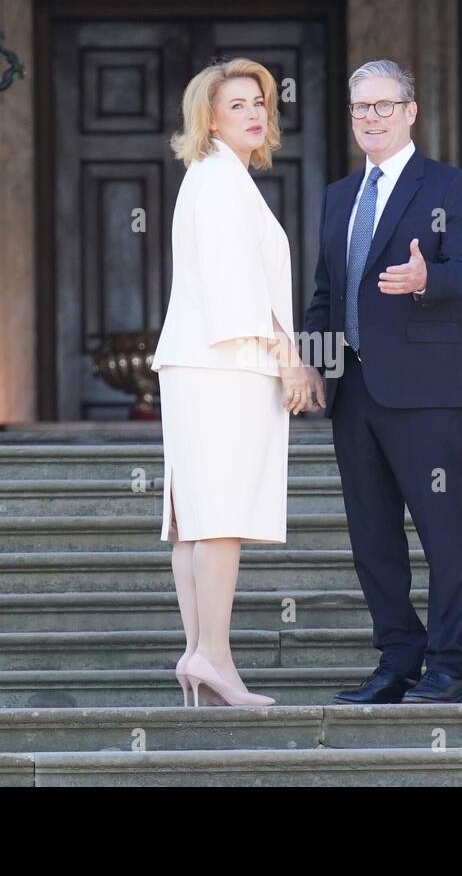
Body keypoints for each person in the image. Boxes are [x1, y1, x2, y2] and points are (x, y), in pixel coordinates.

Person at [301, 59, 462, 704]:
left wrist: (425, 279)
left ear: (410, 112)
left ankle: (447, 666)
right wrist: (314, 365)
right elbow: (324, 293)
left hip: (425, 391)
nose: (371, 118)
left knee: (441, 533)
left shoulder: (449, 187)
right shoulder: (338, 197)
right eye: (360, 109)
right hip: (353, 393)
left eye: (383, 106)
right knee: (373, 538)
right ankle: (396, 661)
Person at [151, 57, 317, 707]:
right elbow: (236, 284)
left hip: (203, 362)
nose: (254, 114)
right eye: (239, 104)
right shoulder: (219, 178)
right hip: (226, 361)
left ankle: (200, 651)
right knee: (216, 513)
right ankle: (213, 654)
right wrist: (289, 357)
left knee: (196, 517)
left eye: (260, 103)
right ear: (209, 118)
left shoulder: (215, 177)